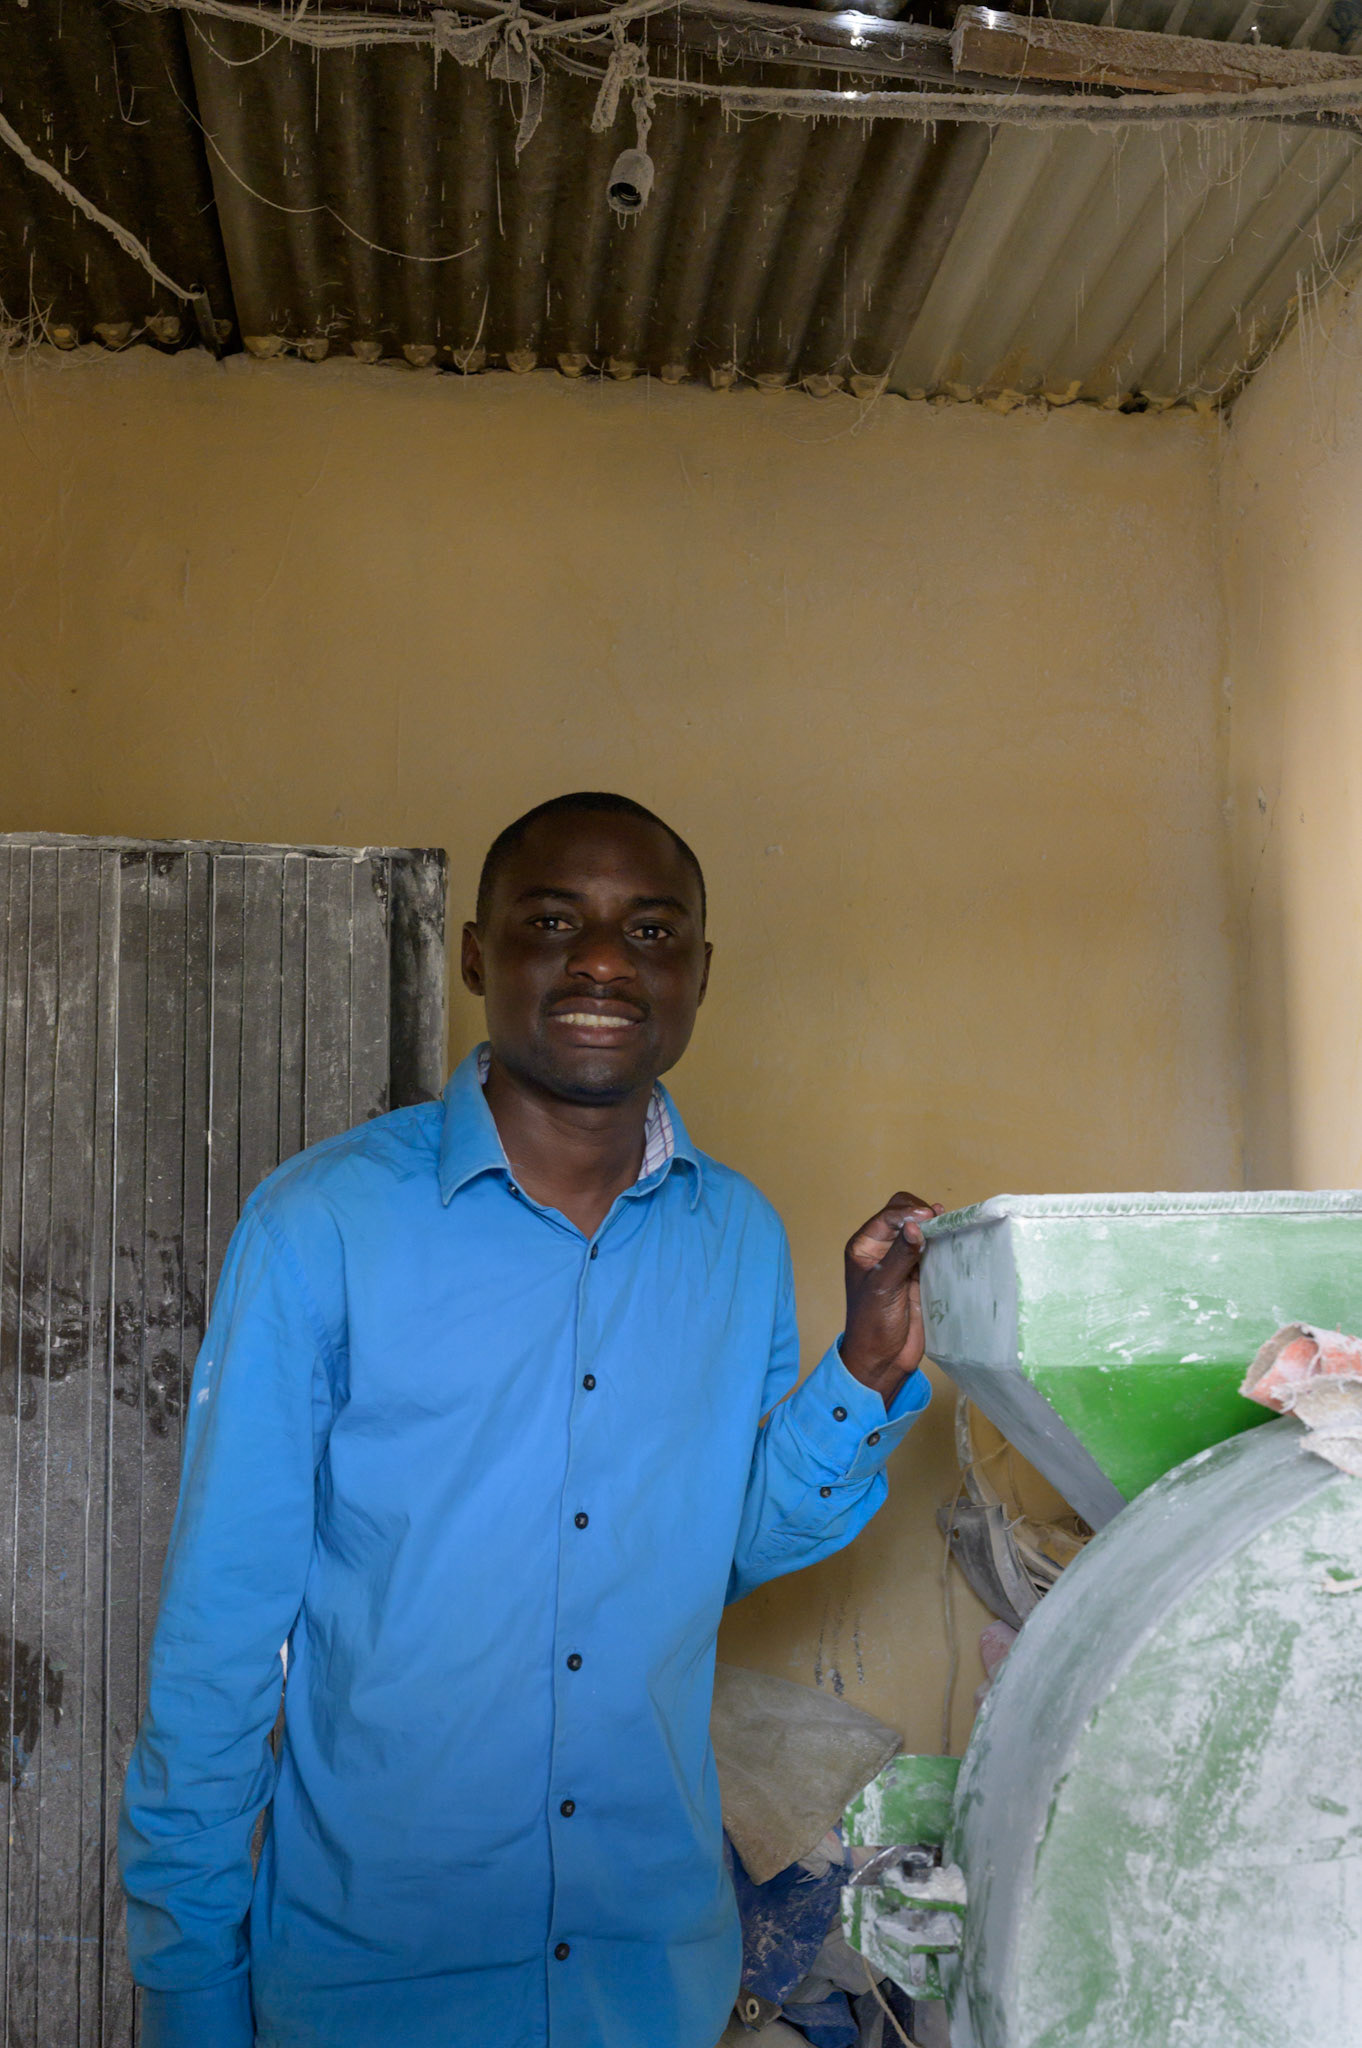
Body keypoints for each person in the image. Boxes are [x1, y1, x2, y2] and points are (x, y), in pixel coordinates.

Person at [120, 791, 939, 2048]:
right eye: (554, 920)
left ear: (700, 976)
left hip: (646, 1982)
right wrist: (188, 1991)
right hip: (375, 1978)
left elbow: (715, 1549)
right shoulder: (321, 1229)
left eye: (651, 932)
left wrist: (867, 1373)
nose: (605, 959)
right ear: (475, 955)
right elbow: (219, 1644)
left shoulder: (736, 1239)